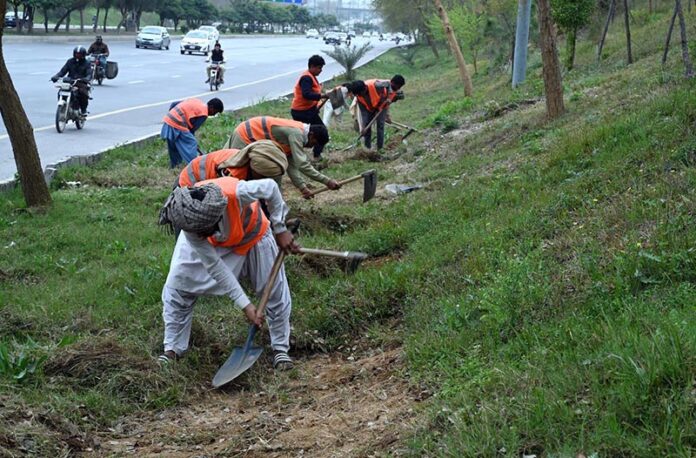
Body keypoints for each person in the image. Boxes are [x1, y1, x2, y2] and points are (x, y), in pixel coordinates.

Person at [157, 176, 300, 371]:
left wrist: (280, 228)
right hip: (214, 241)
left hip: (252, 233)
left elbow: (271, 187)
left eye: (202, 231)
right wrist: (246, 305)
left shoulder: (237, 193)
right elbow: (216, 268)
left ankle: (280, 349)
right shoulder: (190, 223)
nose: (199, 235)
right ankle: (172, 349)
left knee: (272, 289)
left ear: (214, 218)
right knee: (177, 285)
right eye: (195, 232)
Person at [225, 116, 341, 199]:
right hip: (246, 136)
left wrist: (302, 188)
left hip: (259, 144)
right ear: (311, 135)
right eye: (313, 143)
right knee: (236, 174)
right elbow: (302, 164)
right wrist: (327, 181)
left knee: (276, 172)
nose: (311, 147)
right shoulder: (296, 134)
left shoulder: (295, 137)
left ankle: (275, 211)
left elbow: (292, 166)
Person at [178, 140, 288, 187]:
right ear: (256, 169)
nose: (264, 179)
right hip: (188, 183)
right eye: (264, 176)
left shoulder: (244, 157)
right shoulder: (233, 175)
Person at [161, 97, 224, 167]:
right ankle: (194, 166)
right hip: (177, 123)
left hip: (168, 120)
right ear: (211, 108)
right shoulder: (204, 113)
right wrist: (194, 144)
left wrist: (172, 114)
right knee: (192, 143)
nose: (214, 114)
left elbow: (174, 104)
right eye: (215, 112)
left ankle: (175, 165)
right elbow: (192, 130)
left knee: (174, 145)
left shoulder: (197, 101)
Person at [290, 55, 328, 160]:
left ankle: (304, 154)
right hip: (302, 112)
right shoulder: (306, 78)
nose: (321, 70)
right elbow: (306, 94)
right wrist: (321, 96)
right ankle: (316, 155)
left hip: (307, 110)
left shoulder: (311, 77)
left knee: (305, 133)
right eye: (319, 68)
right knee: (321, 132)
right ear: (312, 66)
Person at [355, 75, 406, 152]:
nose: (398, 89)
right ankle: (367, 148)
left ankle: (380, 148)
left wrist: (387, 115)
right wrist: (363, 127)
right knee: (367, 127)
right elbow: (363, 113)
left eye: (399, 87)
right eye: (398, 86)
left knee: (380, 126)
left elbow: (387, 103)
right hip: (370, 107)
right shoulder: (378, 85)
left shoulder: (393, 90)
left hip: (381, 107)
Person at [51, 46, 92, 115]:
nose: (77, 55)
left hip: (81, 82)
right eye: (76, 54)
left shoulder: (87, 63)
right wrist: (56, 76)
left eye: (79, 54)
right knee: (61, 91)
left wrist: (86, 79)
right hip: (69, 81)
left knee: (83, 93)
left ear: (83, 55)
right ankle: (64, 105)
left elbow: (89, 74)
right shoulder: (70, 61)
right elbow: (63, 71)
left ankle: (83, 109)